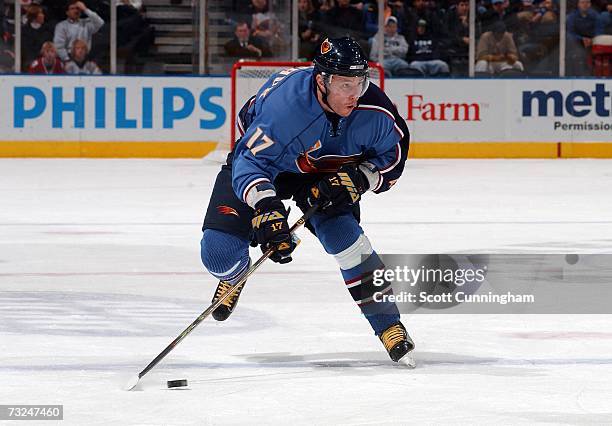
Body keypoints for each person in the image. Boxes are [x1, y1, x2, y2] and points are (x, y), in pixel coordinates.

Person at [200, 37, 414, 365]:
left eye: (360, 81)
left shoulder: (374, 111)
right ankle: (233, 276)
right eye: (345, 84)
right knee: (218, 253)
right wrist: (267, 207)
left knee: (347, 241)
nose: (355, 93)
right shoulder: (284, 108)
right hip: (264, 164)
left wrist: (360, 178)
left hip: (323, 173)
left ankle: (389, 324)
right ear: (321, 81)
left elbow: (394, 154)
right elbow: (250, 162)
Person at [21, 5, 54, 71]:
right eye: (41, 13)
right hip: (30, 60)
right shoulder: (24, 30)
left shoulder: (48, 29)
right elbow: (26, 49)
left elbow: (49, 46)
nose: (43, 15)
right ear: (34, 17)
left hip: (45, 59)